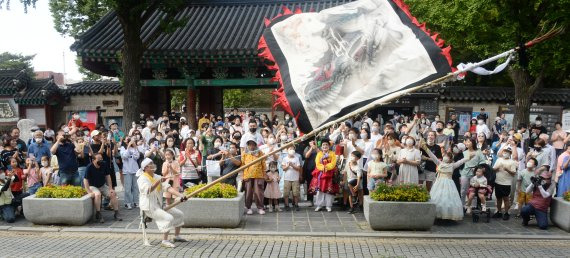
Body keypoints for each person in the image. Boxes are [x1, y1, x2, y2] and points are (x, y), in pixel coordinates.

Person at [137, 158, 187, 248]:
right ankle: (164, 240)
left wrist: (180, 195)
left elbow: (168, 188)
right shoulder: (142, 178)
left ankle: (177, 236)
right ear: (146, 168)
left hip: (159, 205)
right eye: (150, 164)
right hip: (149, 206)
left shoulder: (156, 176)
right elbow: (148, 190)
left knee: (179, 214)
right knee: (168, 218)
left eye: (152, 163)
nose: (153, 165)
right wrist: (158, 181)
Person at [422, 142, 472, 220]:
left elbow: (461, 161)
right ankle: (436, 214)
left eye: (447, 156)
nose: (445, 157)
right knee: (437, 198)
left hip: (449, 183)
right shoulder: (440, 163)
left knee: (448, 199)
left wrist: (468, 157)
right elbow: (433, 156)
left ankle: (447, 215)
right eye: (445, 155)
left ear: (450, 158)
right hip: (439, 183)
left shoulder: (453, 165)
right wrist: (426, 149)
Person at [84, 153, 122, 223]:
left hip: (102, 185)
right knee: (97, 195)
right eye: (99, 159)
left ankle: (116, 213)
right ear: (93, 160)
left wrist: (110, 188)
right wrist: (89, 192)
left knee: (113, 193)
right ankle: (98, 213)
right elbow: (85, 180)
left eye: (101, 158)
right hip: (93, 186)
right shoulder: (89, 167)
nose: (101, 160)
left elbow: (108, 176)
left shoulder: (104, 164)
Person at [309, 140, 337, 212]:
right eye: (323, 145)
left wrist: (327, 167)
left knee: (329, 190)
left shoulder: (332, 154)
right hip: (320, 174)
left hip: (329, 174)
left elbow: (333, 163)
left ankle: (328, 205)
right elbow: (317, 163)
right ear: (321, 147)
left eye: (326, 145)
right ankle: (319, 205)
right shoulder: (319, 154)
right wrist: (322, 168)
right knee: (319, 190)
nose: (325, 146)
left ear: (329, 146)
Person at [241, 137, 267, 215]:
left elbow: (263, 164)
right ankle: (248, 207)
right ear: (247, 145)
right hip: (247, 175)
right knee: (248, 192)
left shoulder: (260, 153)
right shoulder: (244, 153)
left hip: (258, 175)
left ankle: (260, 207)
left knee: (258, 192)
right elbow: (242, 164)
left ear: (255, 145)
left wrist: (264, 174)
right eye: (250, 145)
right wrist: (243, 175)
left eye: (253, 144)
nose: (251, 146)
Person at [459, 138, 487, 205]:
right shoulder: (464, 152)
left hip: (476, 173)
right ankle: (462, 205)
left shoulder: (478, 151)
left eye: (469, 141)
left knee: (473, 191)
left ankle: (472, 206)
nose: (467, 143)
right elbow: (460, 163)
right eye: (466, 142)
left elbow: (483, 161)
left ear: (473, 143)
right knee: (463, 190)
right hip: (465, 173)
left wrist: (477, 168)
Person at [492, 148, 518, 220]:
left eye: (507, 152)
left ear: (510, 153)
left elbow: (513, 173)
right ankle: (499, 211)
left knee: (506, 198)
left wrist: (507, 169)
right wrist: (497, 168)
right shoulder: (499, 160)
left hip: (506, 183)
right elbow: (493, 169)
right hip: (498, 181)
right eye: (504, 152)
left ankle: (506, 212)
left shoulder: (512, 162)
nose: (505, 153)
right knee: (498, 198)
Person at [120, 138, 140, 210]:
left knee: (136, 187)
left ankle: (136, 201)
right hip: (127, 171)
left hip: (135, 170)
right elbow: (124, 156)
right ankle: (127, 202)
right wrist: (128, 147)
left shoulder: (134, 148)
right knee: (128, 188)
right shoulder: (122, 148)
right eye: (127, 140)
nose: (129, 141)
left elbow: (137, 157)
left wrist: (135, 147)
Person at [281, 145, 301, 211]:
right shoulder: (285, 159)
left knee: (296, 193)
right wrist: (288, 166)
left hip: (295, 178)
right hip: (287, 178)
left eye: (293, 148)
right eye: (290, 148)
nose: (292, 150)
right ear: (287, 150)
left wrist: (292, 165)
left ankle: (296, 204)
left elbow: (298, 168)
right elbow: (283, 168)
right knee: (286, 193)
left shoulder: (297, 158)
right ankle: (286, 205)